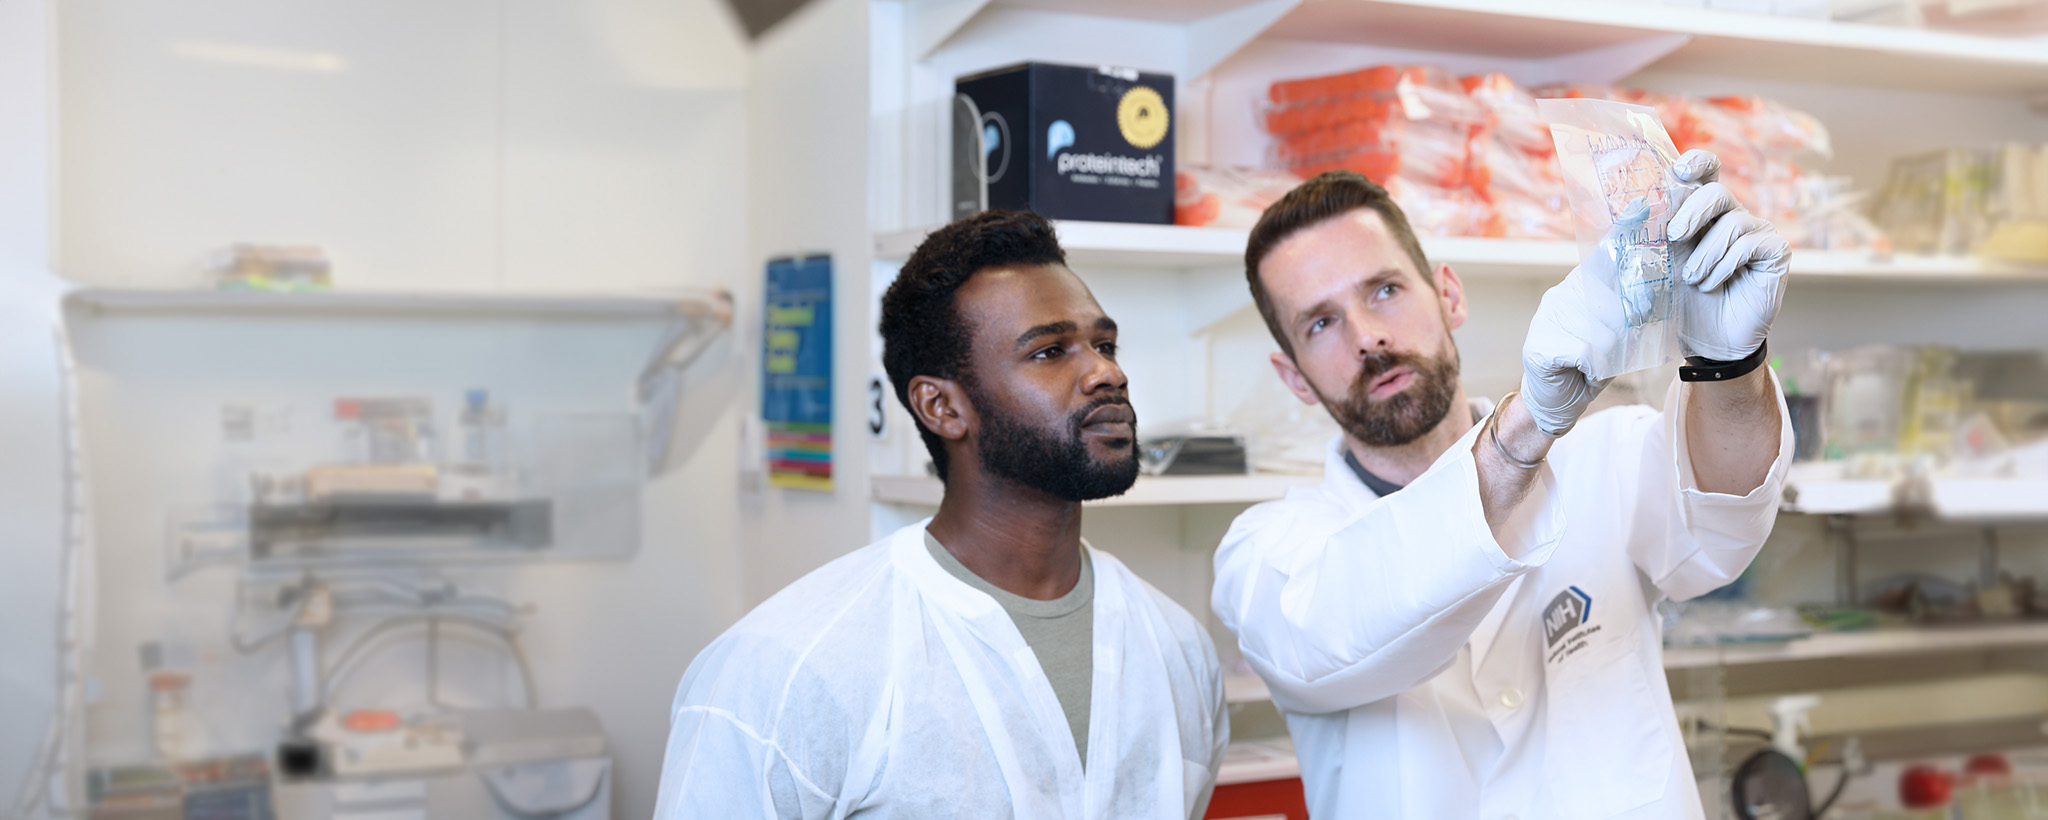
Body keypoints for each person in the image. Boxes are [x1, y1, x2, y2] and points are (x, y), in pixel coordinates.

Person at [1211, 151, 1792, 819]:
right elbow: (1338, 624)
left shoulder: (1602, 455)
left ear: (1448, 295)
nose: (1368, 336)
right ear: (1292, 376)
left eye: (1385, 290)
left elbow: (1722, 522)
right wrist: (1526, 431)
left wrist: (1730, 364)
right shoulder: (1269, 555)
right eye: (1321, 322)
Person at [653, 210, 1227, 819]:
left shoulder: (1177, 648)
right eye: (1050, 351)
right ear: (942, 407)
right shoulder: (788, 667)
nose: (1107, 372)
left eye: (1104, 344)